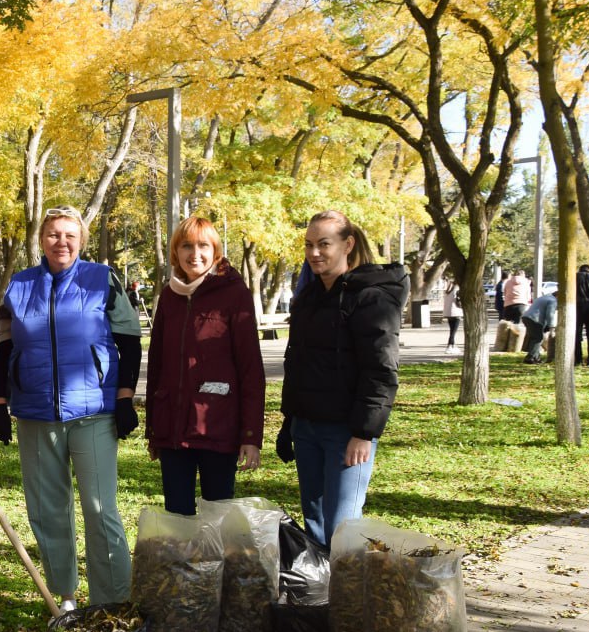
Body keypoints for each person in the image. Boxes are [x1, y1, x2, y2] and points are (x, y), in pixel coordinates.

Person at [0, 205, 141, 611]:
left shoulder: (102, 280)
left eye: (70, 235)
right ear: (41, 240)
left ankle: (113, 602)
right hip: (36, 416)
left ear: (82, 241)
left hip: (93, 412)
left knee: (100, 508)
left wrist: (125, 396)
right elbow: (1, 348)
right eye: (53, 234)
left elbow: (130, 341)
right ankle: (66, 600)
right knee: (47, 511)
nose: (62, 242)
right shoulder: (19, 286)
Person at [278, 210, 406, 547]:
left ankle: (349, 597)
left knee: (343, 527)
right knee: (315, 522)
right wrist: (288, 421)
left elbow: (380, 371)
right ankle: (320, 595)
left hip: (346, 433)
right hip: (306, 428)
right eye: (308, 245)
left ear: (347, 244)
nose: (314, 252)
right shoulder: (307, 299)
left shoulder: (371, 297)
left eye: (324, 244)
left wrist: (364, 433)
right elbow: (297, 363)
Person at [145, 216, 264, 517]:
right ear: (175, 251)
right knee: (178, 515)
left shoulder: (234, 293)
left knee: (218, 516)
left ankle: (218, 566)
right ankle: (186, 566)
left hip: (218, 427)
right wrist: (153, 429)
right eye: (186, 246)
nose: (194, 254)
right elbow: (157, 362)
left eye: (203, 246)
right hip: (172, 429)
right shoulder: (169, 294)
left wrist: (251, 436)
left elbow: (251, 368)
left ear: (215, 251)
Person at [522, 288, 557, 364]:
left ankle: (536, 357)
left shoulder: (545, 297)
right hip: (534, 319)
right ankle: (530, 357)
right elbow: (550, 314)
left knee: (533, 338)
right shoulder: (553, 301)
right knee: (538, 338)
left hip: (526, 317)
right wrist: (552, 327)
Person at [441, 277, 463, 355]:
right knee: (453, 331)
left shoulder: (448, 290)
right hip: (456, 312)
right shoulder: (457, 289)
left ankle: (453, 345)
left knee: (452, 330)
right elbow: (459, 300)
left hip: (449, 313)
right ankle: (449, 346)